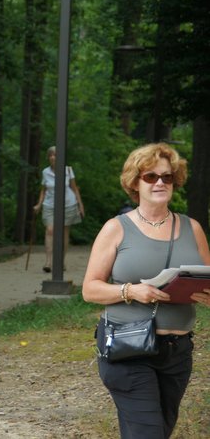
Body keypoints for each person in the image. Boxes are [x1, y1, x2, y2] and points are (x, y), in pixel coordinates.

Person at [82, 143, 210, 439]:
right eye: (151, 177)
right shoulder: (116, 228)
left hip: (177, 353)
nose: (160, 183)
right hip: (129, 348)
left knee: (158, 431)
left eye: (167, 177)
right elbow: (90, 289)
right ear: (135, 183)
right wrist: (132, 291)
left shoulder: (193, 228)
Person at [33, 146, 85, 272]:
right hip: (50, 205)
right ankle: (49, 262)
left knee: (64, 232)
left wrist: (80, 204)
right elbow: (43, 190)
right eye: (50, 155)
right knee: (50, 230)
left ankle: (61, 261)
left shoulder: (68, 170)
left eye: (55, 155)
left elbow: (74, 188)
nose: (52, 157)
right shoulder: (45, 172)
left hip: (68, 204)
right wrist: (39, 204)